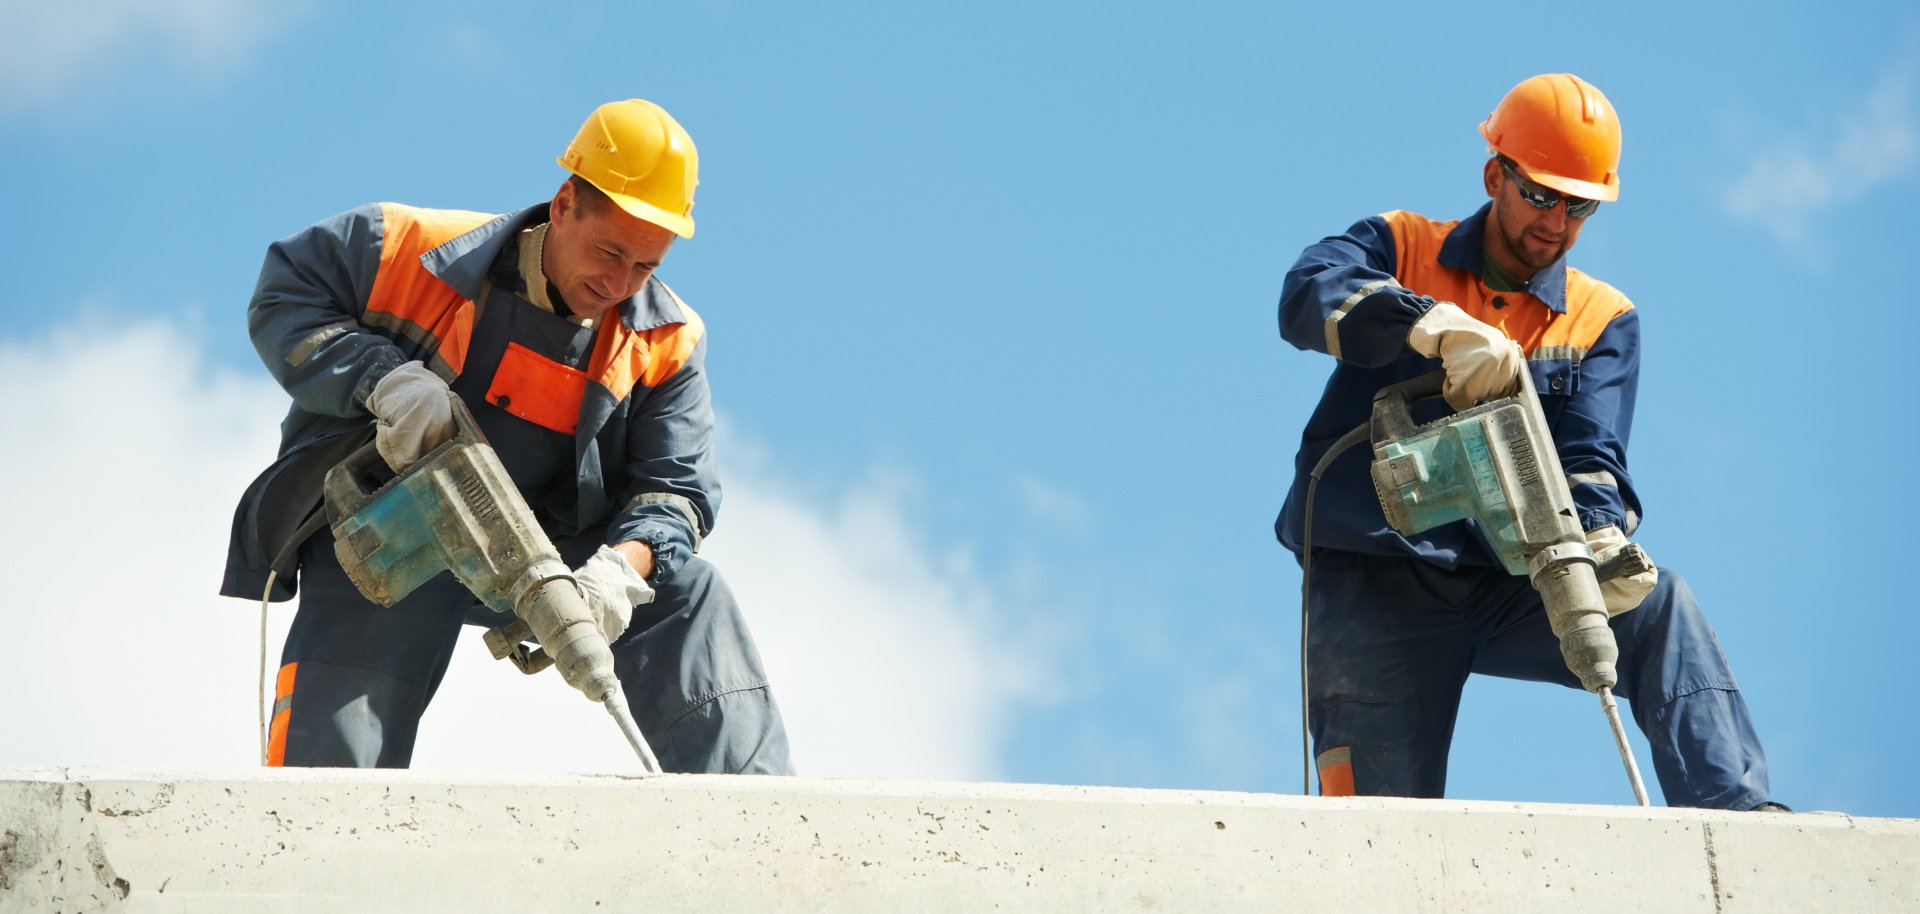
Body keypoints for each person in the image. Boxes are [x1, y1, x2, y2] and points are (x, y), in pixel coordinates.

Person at [222, 98, 793, 774]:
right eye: (609, 251)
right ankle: (316, 825)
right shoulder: (407, 250)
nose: (619, 283)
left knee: (690, 595)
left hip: (558, 551)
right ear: (563, 204)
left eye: (644, 266)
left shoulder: (665, 340)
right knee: (358, 631)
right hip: (402, 525)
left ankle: (752, 820)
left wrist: (614, 577)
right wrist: (386, 381)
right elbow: (287, 294)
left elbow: (677, 493)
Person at [1274, 74, 1779, 809]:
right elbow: (1305, 291)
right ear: (1495, 175)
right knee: (1376, 840)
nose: (1556, 221)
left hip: (1514, 582)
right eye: (1542, 194)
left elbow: (1591, 457)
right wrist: (1426, 324)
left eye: (1579, 205)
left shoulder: (1599, 319)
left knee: (1659, 607)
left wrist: (1597, 540)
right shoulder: (1403, 246)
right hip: (1374, 581)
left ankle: (1741, 821)